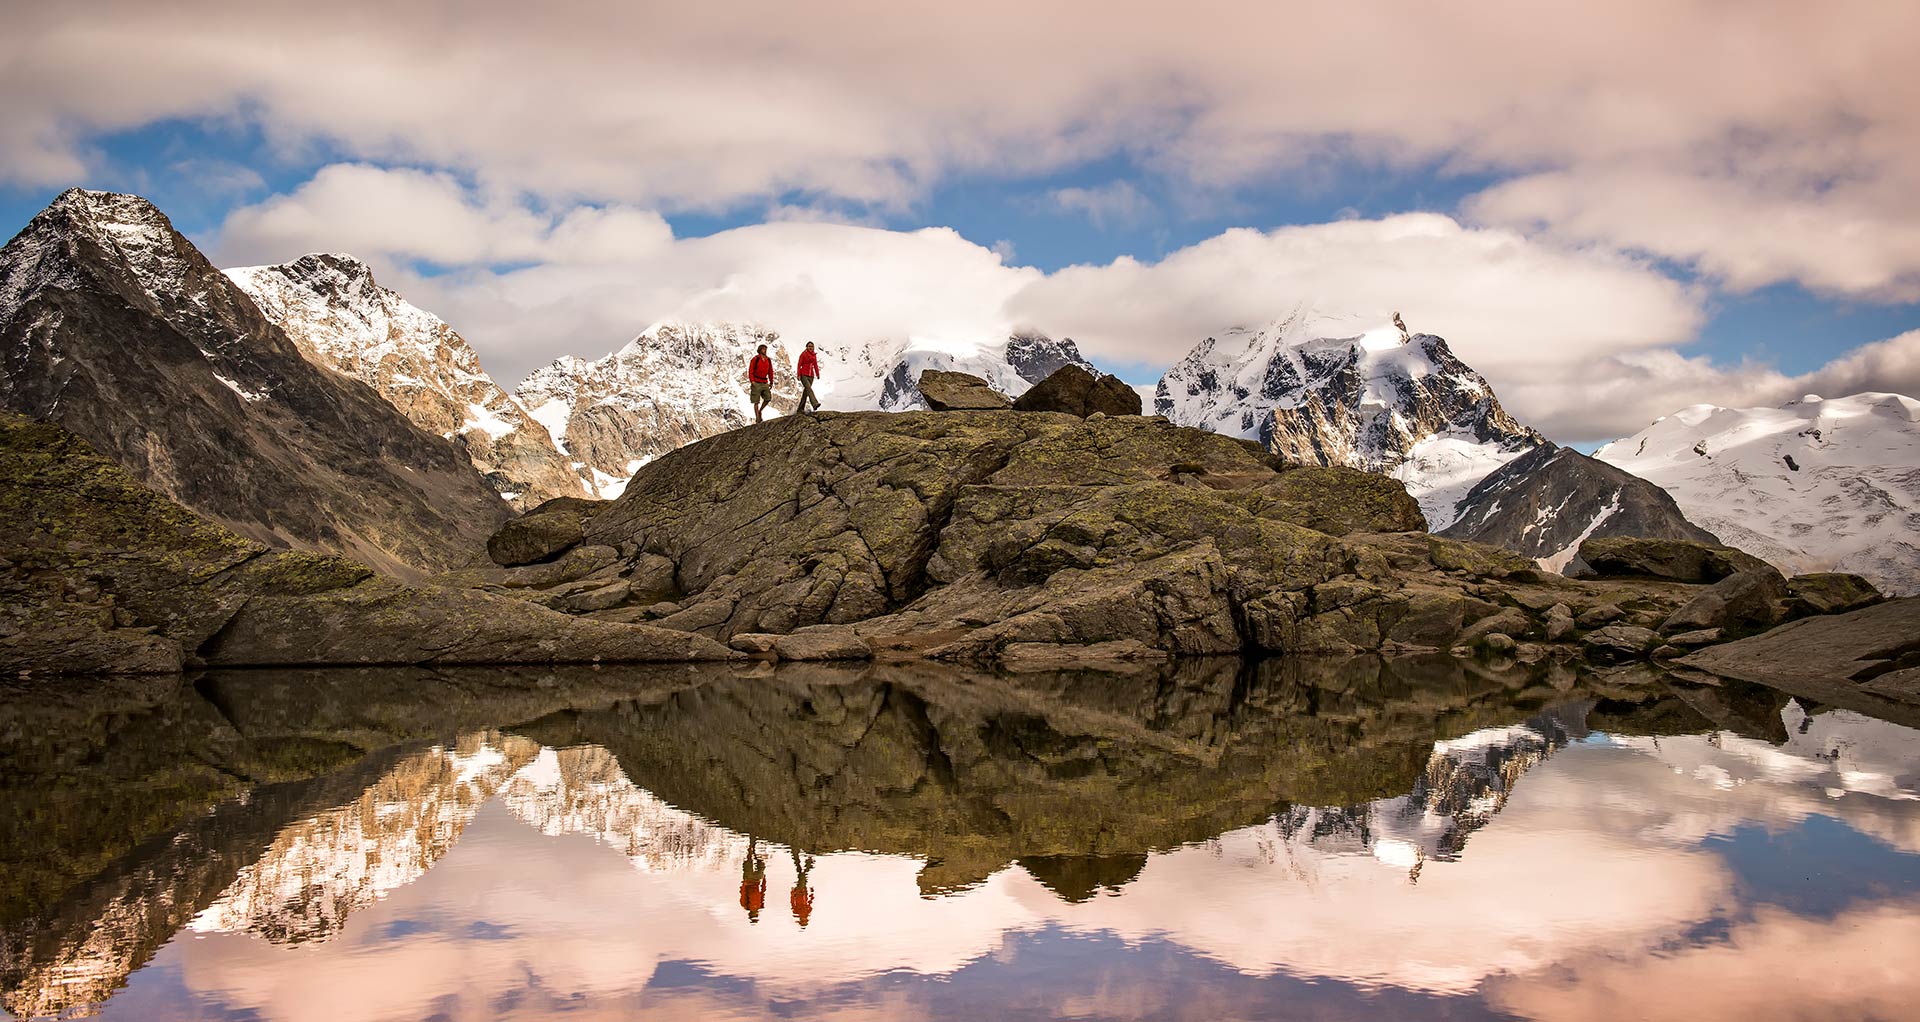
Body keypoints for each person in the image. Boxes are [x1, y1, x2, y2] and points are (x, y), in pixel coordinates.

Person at [740, 837, 768, 923]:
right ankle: (753, 849)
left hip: (752, 880)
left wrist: (763, 879)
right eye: (757, 915)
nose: (756, 914)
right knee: (755, 862)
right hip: (754, 880)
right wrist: (764, 880)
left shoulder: (746, 905)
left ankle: (752, 847)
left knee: (750, 861)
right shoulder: (757, 906)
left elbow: (743, 892)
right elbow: (762, 892)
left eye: (755, 915)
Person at [789, 847, 817, 928]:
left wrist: (792, 892)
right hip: (803, 891)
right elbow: (810, 901)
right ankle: (802, 859)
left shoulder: (796, 912)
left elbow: (792, 902)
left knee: (802, 875)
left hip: (798, 891)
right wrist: (811, 892)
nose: (805, 919)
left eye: (804, 920)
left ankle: (807, 861)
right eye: (805, 920)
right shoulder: (807, 912)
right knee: (801, 874)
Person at [748, 344, 776, 423]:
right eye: (763, 349)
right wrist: (752, 381)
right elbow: (751, 370)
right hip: (756, 382)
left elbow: (770, 371)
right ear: (760, 350)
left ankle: (760, 411)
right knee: (756, 401)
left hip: (764, 382)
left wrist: (771, 381)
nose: (765, 350)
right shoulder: (755, 359)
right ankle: (757, 417)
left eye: (766, 349)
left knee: (768, 398)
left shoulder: (768, 360)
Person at [795, 341, 823, 413]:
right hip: (804, 375)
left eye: (812, 346)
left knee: (806, 392)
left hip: (811, 376)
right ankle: (814, 404)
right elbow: (799, 365)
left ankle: (800, 409)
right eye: (809, 346)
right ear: (806, 347)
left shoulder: (814, 355)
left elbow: (815, 365)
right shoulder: (803, 354)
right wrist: (798, 374)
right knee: (809, 389)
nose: (811, 348)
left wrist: (817, 374)